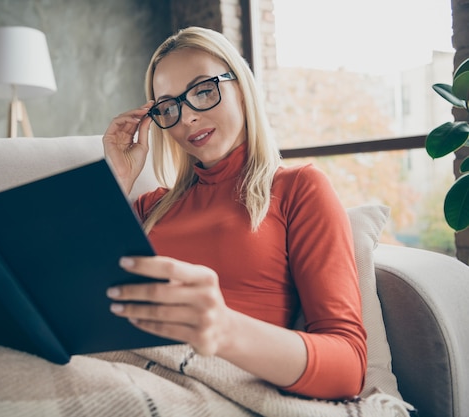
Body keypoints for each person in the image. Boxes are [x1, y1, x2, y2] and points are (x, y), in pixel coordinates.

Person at [102, 26, 366, 401]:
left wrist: (225, 329)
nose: (187, 118)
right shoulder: (149, 207)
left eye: (204, 91)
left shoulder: (298, 189)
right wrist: (117, 177)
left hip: (212, 390)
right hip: (123, 371)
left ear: (241, 87)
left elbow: (348, 367)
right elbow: (68, 296)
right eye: (169, 107)